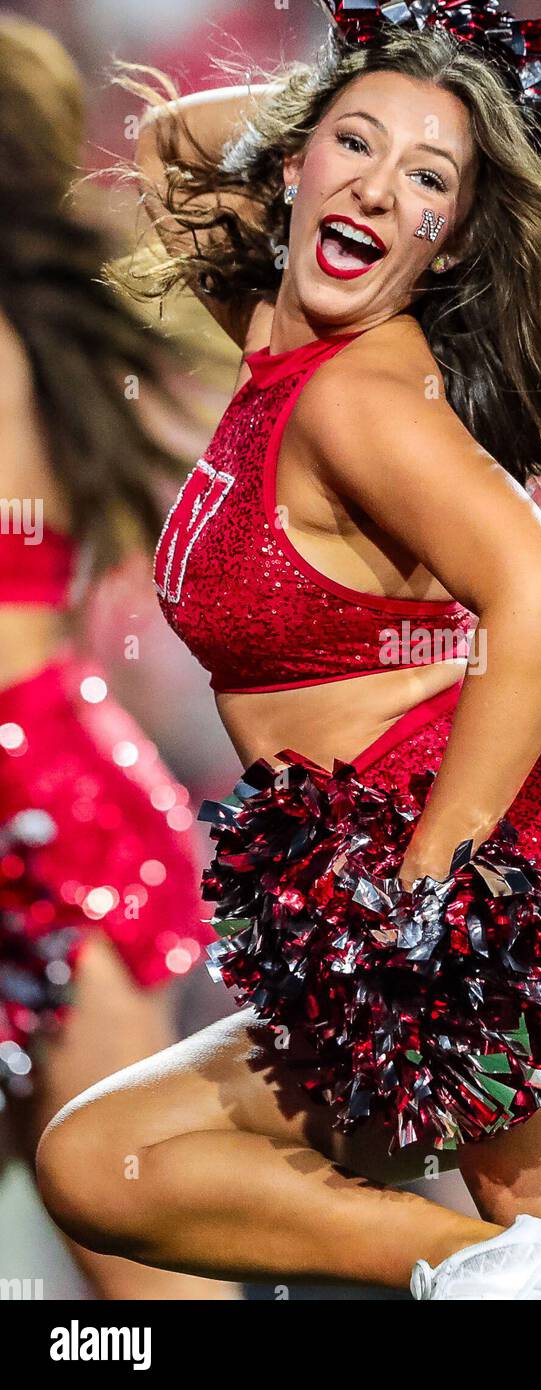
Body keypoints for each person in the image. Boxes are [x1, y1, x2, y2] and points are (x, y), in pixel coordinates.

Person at [36, 2, 541, 1301]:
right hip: (403, 914)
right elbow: (178, 143)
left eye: (430, 181)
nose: (378, 184)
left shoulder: (364, 391)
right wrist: (399, 93)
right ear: (295, 166)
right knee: (107, 1160)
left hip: (521, 898)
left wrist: (433, 874)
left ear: (451, 239)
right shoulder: (274, 336)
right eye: (350, 150)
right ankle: (482, 1265)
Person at [0, 17, 234, 1299]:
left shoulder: (16, 342)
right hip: (63, 786)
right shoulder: (52, 342)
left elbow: (186, 140)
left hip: (43, 821)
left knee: (142, 1277)